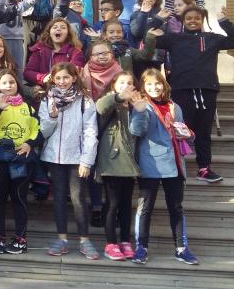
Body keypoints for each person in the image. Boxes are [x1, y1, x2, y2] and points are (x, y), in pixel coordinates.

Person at [154, 6, 234, 183]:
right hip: (182, 90)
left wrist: (224, 21)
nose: (192, 21)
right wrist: (158, 19)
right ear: (183, 21)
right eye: (188, 18)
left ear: (202, 20)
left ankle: (204, 169)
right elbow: (149, 36)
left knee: (203, 132)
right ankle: (171, 166)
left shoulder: (212, 38)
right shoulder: (174, 39)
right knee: (178, 129)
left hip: (207, 90)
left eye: (197, 18)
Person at [129, 69, 199, 265]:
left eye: (157, 83)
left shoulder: (174, 106)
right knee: (145, 208)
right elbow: (136, 131)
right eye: (149, 84)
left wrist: (186, 134)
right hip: (150, 162)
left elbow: (182, 130)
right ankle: (141, 247)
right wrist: (140, 112)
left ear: (164, 84)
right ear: (143, 87)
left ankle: (181, 248)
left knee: (176, 208)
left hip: (175, 164)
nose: (154, 87)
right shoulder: (143, 105)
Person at [39, 63, 100, 260]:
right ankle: (62, 238)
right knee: (58, 198)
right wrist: (52, 117)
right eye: (58, 78)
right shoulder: (47, 99)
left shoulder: (85, 100)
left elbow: (91, 132)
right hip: (54, 158)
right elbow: (44, 132)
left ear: (74, 78)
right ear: (53, 80)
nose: (62, 82)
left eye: (66, 77)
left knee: (79, 199)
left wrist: (87, 161)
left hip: (77, 158)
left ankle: (84, 240)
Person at [0, 70, 41, 255]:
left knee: (19, 199)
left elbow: (36, 130)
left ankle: (21, 239)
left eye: (11, 82)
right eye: (4, 83)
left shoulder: (28, 107)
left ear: (17, 85)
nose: (8, 86)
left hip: (20, 159)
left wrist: (29, 143)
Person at [94, 72, 141, 261]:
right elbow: (100, 107)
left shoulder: (135, 105)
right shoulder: (109, 100)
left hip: (130, 162)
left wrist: (140, 110)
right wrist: (118, 97)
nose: (127, 85)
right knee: (112, 203)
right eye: (122, 82)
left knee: (126, 204)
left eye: (130, 82)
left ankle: (125, 241)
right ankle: (111, 243)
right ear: (114, 85)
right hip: (111, 161)